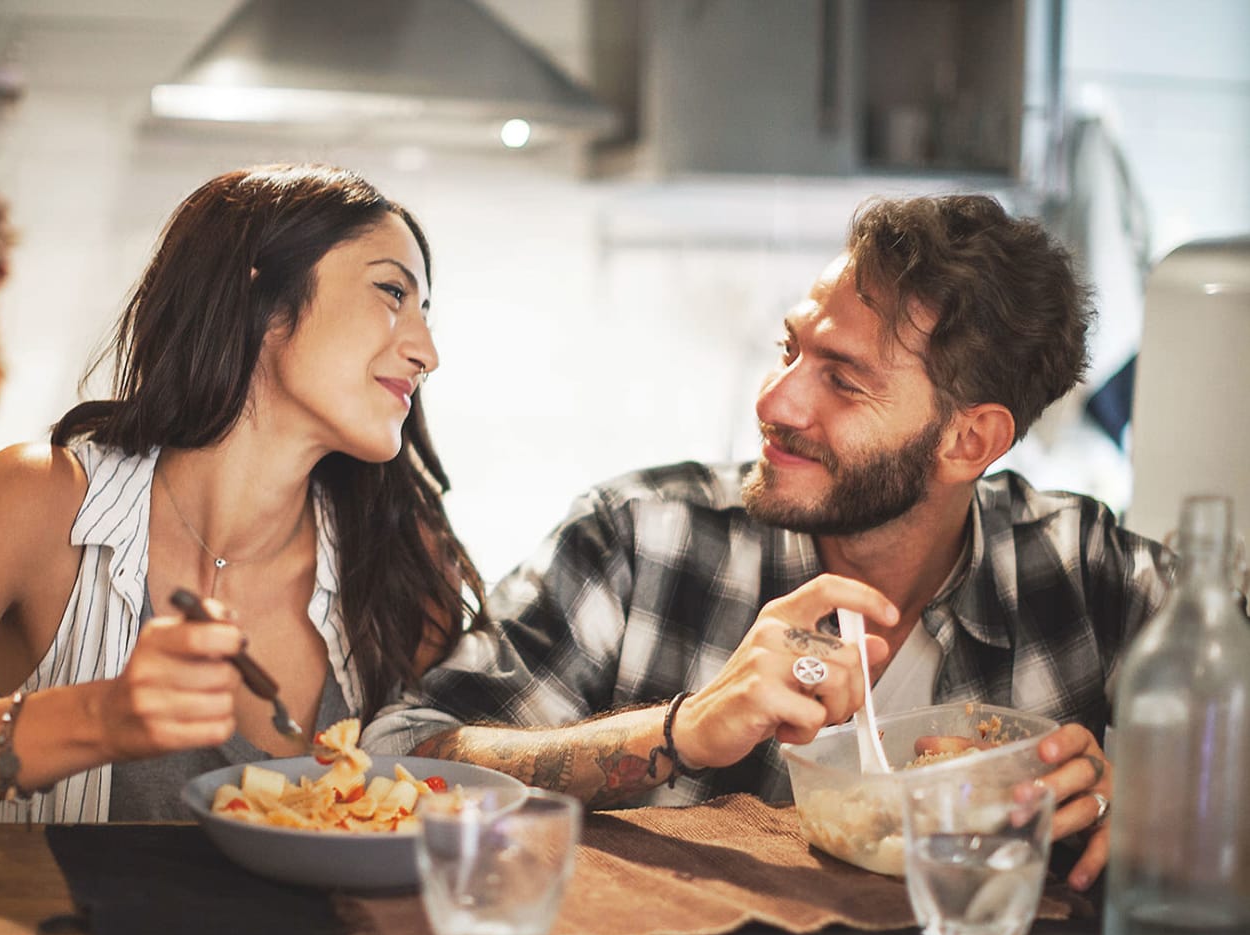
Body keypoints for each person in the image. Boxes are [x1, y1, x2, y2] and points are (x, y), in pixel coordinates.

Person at [363, 193, 1165, 893]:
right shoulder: (642, 538)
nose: (776, 401)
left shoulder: (1080, 568)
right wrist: (676, 733)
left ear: (967, 441)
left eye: (844, 380)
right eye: (791, 350)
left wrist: (1166, 800)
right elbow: (398, 755)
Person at [0, 163, 485, 830]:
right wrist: (97, 718)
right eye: (393, 293)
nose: (428, 350)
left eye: (426, 308)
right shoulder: (37, 504)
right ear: (258, 294)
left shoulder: (402, 562)